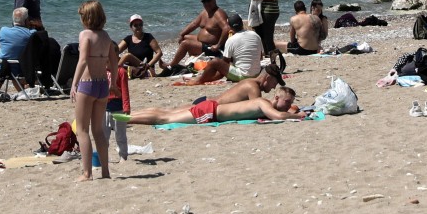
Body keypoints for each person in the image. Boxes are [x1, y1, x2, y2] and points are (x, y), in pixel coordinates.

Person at [71, 0, 118, 181]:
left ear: (87, 17)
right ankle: (105, 171)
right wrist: (112, 81)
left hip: (88, 84)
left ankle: (87, 173)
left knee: (82, 130)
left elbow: (83, 60)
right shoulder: (106, 36)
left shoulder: (85, 35)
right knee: (98, 130)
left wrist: (74, 84)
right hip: (102, 85)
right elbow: (114, 61)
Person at [113, 87, 304, 125]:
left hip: (211, 107)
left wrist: (292, 111)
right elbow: (278, 117)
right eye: (287, 102)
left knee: (167, 111)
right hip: (209, 113)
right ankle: (127, 118)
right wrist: (298, 116)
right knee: (165, 118)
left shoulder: (263, 102)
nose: (288, 107)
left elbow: (280, 113)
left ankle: (124, 114)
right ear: (276, 97)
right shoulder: (264, 103)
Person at [175, 13, 264, 86]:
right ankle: (206, 78)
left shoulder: (231, 40)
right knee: (221, 65)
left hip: (243, 76)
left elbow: (225, 63)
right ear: (241, 24)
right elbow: (260, 57)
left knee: (215, 62)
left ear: (230, 27)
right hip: (256, 73)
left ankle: (199, 80)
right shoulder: (255, 35)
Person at [161, 0, 230, 76]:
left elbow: (227, 28)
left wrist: (218, 45)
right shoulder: (205, 12)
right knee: (185, 38)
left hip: (213, 48)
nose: (207, 3)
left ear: (214, 0)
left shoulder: (218, 13)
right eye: (204, 1)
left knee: (185, 44)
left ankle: (171, 65)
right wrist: (182, 34)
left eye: (209, 0)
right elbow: (194, 24)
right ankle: (193, 59)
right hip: (204, 43)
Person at [0, 6, 36, 102]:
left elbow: (1, 47)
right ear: (26, 21)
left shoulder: (3, 30)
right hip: (20, 70)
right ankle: (21, 92)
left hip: (3, 69)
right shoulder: (31, 33)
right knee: (9, 65)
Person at [118, 14, 163, 78]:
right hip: (133, 68)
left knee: (127, 56)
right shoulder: (128, 39)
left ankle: (115, 72)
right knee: (112, 56)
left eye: (140, 24)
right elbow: (116, 51)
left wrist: (148, 65)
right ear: (131, 27)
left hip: (146, 69)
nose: (138, 27)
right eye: (135, 25)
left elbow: (159, 53)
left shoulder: (148, 37)